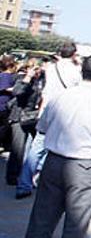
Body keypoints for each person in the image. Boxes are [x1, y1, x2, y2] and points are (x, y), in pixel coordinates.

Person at [24, 54, 91, 238]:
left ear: (82, 70)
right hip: (85, 167)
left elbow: (42, 127)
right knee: (75, 226)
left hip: (54, 161)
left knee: (41, 220)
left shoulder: (61, 96)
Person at [10, 59, 46, 199]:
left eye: (38, 69)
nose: (37, 71)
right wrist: (28, 77)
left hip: (33, 118)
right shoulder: (22, 79)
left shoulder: (42, 81)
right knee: (18, 149)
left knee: (32, 149)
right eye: (34, 69)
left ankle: (27, 177)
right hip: (20, 116)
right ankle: (13, 177)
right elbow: (17, 92)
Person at [41, 42, 81, 107]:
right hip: (64, 105)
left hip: (48, 102)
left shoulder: (51, 67)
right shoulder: (76, 70)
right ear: (73, 54)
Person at [1, 55, 21, 183]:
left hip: (3, 105)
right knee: (4, 128)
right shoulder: (6, 76)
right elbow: (5, 88)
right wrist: (14, 89)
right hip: (4, 105)